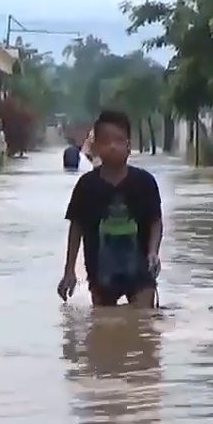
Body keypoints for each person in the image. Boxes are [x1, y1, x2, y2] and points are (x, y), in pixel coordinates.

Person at [57, 110, 162, 308]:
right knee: (103, 325)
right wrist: (69, 271)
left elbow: (155, 220)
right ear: (95, 147)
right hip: (100, 271)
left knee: (144, 322)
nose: (113, 146)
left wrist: (153, 252)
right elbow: (76, 227)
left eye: (119, 140)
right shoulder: (86, 186)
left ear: (129, 146)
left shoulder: (145, 182)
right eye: (106, 141)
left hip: (140, 268)